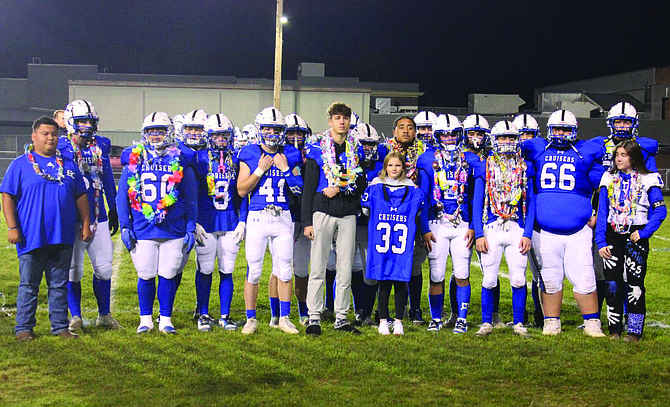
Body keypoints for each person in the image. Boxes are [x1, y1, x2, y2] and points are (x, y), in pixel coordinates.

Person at [1, 116, 92, 340]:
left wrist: (86, 223)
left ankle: (60, 327)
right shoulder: (21, 164)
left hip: (62, 235)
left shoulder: (69, 165)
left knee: (59, 284)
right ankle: (23, 328)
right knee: (29, 285)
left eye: (53, 134)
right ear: (34, 137)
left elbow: (80, 194)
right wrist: (12, 227)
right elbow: (7, 196)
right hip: (31, 235)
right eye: (45, 134)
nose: (50, 138)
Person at [522, 109, 606, 337]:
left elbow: (605, 184)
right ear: (548, 130)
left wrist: (597, 210)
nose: (560, 133)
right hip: (544, 229)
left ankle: (592, 323)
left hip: (579, 229)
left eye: (565, 129)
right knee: (549, 278)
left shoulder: (586, 151)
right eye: (556, 129)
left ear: (575, 130)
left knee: (585, 275)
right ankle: (551, 322)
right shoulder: (537, 147)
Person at [117, 112, 197, 334]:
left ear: (169, 132)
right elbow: (122, 195)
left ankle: (166, 318)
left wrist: (190, 227)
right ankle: (145, 319)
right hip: (143, 226)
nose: (155, 136)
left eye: (160, 131)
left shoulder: (181, 158)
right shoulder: (134, 158)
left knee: (168, 273)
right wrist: (125, 224)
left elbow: (191, 197)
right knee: (145, 273)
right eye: (151, 132)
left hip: (173, 227)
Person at [302, 102, 367, 336]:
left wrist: (338, 187)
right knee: (318, 265)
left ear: (350, 122)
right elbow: (309, 186)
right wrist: (307, 221)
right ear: (330, 121)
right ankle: (314, 316)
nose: (342, 121)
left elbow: (360, 182)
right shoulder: (317, 147)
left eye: (345, 118)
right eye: (337, 117)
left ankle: (341, 316)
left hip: (348, 211)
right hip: (323, 210)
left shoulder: (355, 148)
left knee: (345, 267)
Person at [237, 107, 303, 335]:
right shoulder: (249, 153)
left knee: (285, 270)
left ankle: (284, 318)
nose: (272, 133)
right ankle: (251, 319)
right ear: (259, 130)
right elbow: (242, 190)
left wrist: (285, 170)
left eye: (276, 129)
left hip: (283, 216)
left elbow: (298, 189)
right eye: (267, 128)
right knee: (253, 270)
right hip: (257, 216)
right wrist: (259, 169)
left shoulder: (291, 154)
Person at [590, 102, 659, 316]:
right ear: (610, 123)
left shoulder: (642, 147)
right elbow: (588, 177)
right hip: (605, 212)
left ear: (634, 123)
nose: (621, 126)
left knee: (631, 275)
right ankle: (600, 317)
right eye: (617, 121)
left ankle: (630, 316)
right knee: (601, 270)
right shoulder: (598, 146)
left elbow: (650, 176)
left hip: (631, 215)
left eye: (626, 121)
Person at [58, 100, 121, 332]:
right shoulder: (61, 146)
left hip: (98, 214)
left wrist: (112, 208)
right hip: (71, 217)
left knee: (104, 269)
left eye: (89, 121)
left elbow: (106, 180)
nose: (86, 125)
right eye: (82, 120)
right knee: (74, 270)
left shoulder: (101, 145)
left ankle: (104, 315)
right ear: (70, 122)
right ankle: (75, 316)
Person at [596, 140, 666, 341]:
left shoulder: (648, 179)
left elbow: (660, 210)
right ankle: (614, 331)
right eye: (617, 154)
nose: (619, 158)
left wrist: (645, 232)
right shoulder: (608, 178)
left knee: (635, 285)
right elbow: (602, 213)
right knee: (613, 284)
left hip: (636, 234)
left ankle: (634, 332)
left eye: (624, 155)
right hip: (612, 234)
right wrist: (601, 241)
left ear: (633, 157)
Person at [472, 121, 535, 338]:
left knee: (518, 278)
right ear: (494, 140)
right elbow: (477, 201)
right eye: (502, 138)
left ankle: (518, 323)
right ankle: (486, 322)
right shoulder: (484, 165)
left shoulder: (525, 166)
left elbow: (531, 201)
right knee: (489, 278)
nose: (506, 142)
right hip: (492, 226)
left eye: (510, 138)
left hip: (517, 225)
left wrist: (528, 232)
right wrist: (478, 233)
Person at [417, 114, 472, 333]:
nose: (449, 138)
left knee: (462, 272)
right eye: (444, 134)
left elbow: (474, 195)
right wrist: (424, 228)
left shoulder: (470, 159)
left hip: (461, 222)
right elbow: (422, 196)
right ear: (437, 136)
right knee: (436, 273)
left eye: (453, 134)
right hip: (436, 221)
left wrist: (474, 225)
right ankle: (436, 319)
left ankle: (462, 318)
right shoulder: (426, 159)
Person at [192, 113, 246, 332]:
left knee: (227, 269)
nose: (221, 140)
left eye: (225, 135)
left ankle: (225, 315)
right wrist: (194, 221)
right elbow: (192, 192)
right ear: (208, 137)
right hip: (206, 220)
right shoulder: (198, 158)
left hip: (230, 220)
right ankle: (203, 313)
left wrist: (242, 220)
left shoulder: (237, 158)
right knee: (205, 268)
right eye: (217, 136)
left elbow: (242, 193)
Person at [362, 152, 425, 335]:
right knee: (384, 282)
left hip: (400, 248)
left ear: (403, 168)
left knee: (400, 282)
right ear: (385, 167)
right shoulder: (375, 188)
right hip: (382, 247)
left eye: (397, 166)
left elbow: (418, 213)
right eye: (390, 166)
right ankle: (383, 320)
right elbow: (366, 211)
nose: (394, 169)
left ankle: (398, 321)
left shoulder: (413, 190)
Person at [267, 113, 311, 327]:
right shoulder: (278, 154)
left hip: (303, 217)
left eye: (299, 133)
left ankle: (303, 311)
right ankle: (276, 313)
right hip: (281, 215)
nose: (295, 137)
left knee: (301, 267)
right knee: (278, 267)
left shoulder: (313, 155)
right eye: (291, 132)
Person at [385, 115, 429, 325]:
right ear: (394, 131)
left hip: (415, 215)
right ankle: (389, 310)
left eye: (410, 128)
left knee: (414, 266)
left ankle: (415, 308)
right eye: (401, 127)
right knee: (390, 262)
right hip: (390, 217)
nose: (405, 131)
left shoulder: (425, 154)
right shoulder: (385, 153)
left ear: (416, 132)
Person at [513, 113, 544, 327]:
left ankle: (539, 314)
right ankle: (517, 315)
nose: (525, 139)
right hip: (509, 220)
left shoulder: (540, 159)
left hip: (535, 219)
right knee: (514, 272)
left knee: (537, 270)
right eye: (520, 134)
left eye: (529, 134)